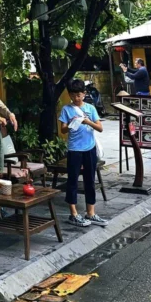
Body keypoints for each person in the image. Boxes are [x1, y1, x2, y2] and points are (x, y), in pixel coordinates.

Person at [59, 78, 109, 227]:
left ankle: (91, 212)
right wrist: (71, 125)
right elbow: (62, 129)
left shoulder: (91, 108)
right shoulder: (66, 109)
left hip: (89, 148)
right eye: (73, 95)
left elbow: (100, 128)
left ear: (84, 94)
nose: (76, 98)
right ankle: (73, 213)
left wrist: (88, 122)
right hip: (75, 149)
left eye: (79, 95)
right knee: (73, 180)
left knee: (90, 180)